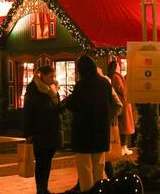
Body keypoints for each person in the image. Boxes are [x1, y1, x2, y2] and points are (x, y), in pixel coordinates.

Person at [62, 55, 113, 192]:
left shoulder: (82, 84)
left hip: (84, 132)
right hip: (101, 130)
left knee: (85, 168)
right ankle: (99, 190)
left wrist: (67, 102)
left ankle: (88, 191)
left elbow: (74, 105)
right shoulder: (104, 83)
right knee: (99, 166)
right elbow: (111, 104)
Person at [24, 65, 62, 194]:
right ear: (42, 76)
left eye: (54, 77)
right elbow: (28, 112)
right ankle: (40, 189)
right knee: (41, 163)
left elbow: (57, 108)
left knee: (47, 162)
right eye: (50, 77)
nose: (53, 79)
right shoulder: (33, 90)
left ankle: (44, 188)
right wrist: (28, 133)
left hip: (52, 131)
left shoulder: (53, 90)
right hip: (39, 132)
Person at [107, 60, 134, 156]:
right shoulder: (116, 77)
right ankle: (123, 146)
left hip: (120, 104)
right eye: (118, 65)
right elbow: (123, 90)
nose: (119, 66)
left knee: (123, 126)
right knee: (125, 126)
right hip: (123, 104)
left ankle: (124, 146)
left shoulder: (112, 76)